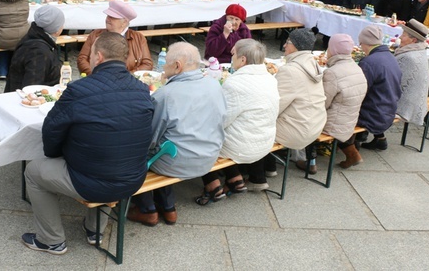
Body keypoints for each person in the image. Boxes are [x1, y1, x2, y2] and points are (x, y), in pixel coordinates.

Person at [22, 31, 154, 253]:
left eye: (92, 54)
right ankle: (95, 230)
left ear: (99, 57)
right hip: (133, 179)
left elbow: (52, 131)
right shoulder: (143, 90)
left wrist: (56, 155)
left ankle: (51, 239)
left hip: (93, 180)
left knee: (33, 171)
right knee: (107, 156)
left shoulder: (79, 89)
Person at [128, 42, 225, 226]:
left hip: (178, 162)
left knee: (137, 149)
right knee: (168, 143)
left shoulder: (165, 94)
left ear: (177, 66)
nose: (163, 67)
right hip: (210, 156)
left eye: (165, 64)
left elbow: (150, 139)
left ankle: (147, 208)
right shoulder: (214, 84)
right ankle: (168, 207)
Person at [197, 39, 279, 204]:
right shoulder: (270, 78)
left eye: (233, 53)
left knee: (198, 138)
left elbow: (220, 121)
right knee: (226, 134)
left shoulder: (236, 83)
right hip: (264, 141)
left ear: (243, 60)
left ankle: (212, 185)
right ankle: (234, 179)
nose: (230, 56)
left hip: (245, 146)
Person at [267, 29, 325, 182]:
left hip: (298, 131)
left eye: (288, 42)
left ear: (297, 46)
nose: (284, 45)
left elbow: (274, 106)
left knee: (253, 123)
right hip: (315, 125)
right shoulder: (313, 63)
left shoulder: (290, 71)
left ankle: (259, 171)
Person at [319, 34, 367, 169]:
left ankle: (309, 160)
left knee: (301, 116)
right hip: (350, 120)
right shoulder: (357, 68)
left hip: (333, 124)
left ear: (333, 50)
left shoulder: (333, 72)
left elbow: (323, 103)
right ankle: (353, 154)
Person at [356, 26, 402, 151]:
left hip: (374, 114)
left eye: (360, 44)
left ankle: (352, 144)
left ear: (365, 43)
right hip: (389, 109)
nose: (361, 47)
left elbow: (359, 92)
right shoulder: (390, 56)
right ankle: (380, 139)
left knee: (342, 105)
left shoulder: (368, 62)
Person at [77, 0, 152, 75]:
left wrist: (126, 77)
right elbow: (82, 59)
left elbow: (147, 64)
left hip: (127, 84)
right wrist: (96, 76)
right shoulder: (95, 34)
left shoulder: (138, 38)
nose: (108, 19)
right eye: (108, 16)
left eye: (113, 17)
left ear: (124, 22)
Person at [4, 5, 65, 92]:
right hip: (30, 101)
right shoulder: (38, 52)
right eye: (62, 24)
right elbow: (32, 88)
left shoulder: (34, 35)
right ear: (56, 29)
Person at [394, 20, 429, 128]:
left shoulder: (408, 57)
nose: (400, 37)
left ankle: (356, 139)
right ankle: (379, 137)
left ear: (413, 40)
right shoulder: (420, 50)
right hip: (414, 101)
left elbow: (392, 83)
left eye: (403, 35)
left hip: (406, 106)